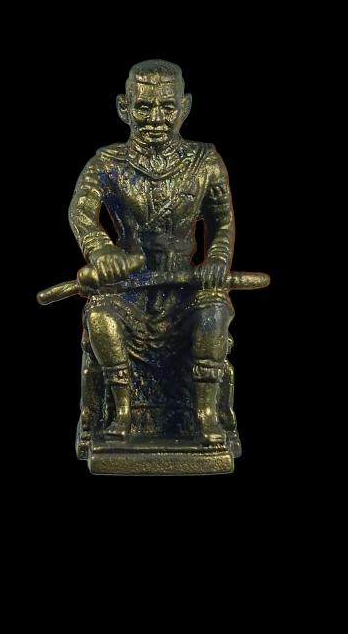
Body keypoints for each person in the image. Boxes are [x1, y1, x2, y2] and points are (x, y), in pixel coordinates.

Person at [69, 60, 234, 444]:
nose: (156, 118)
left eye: (167, 107)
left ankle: (206, 415)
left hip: (186, 288)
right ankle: (123, 412)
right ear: (124, 107)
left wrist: (216, 259)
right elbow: (81, 211)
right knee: (100, 317)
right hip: (128, 288)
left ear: (185, 106)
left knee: (213, 314)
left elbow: (223, 221)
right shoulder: (107, 164)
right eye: (143, 107)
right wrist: (101, 251)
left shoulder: (205, 161)